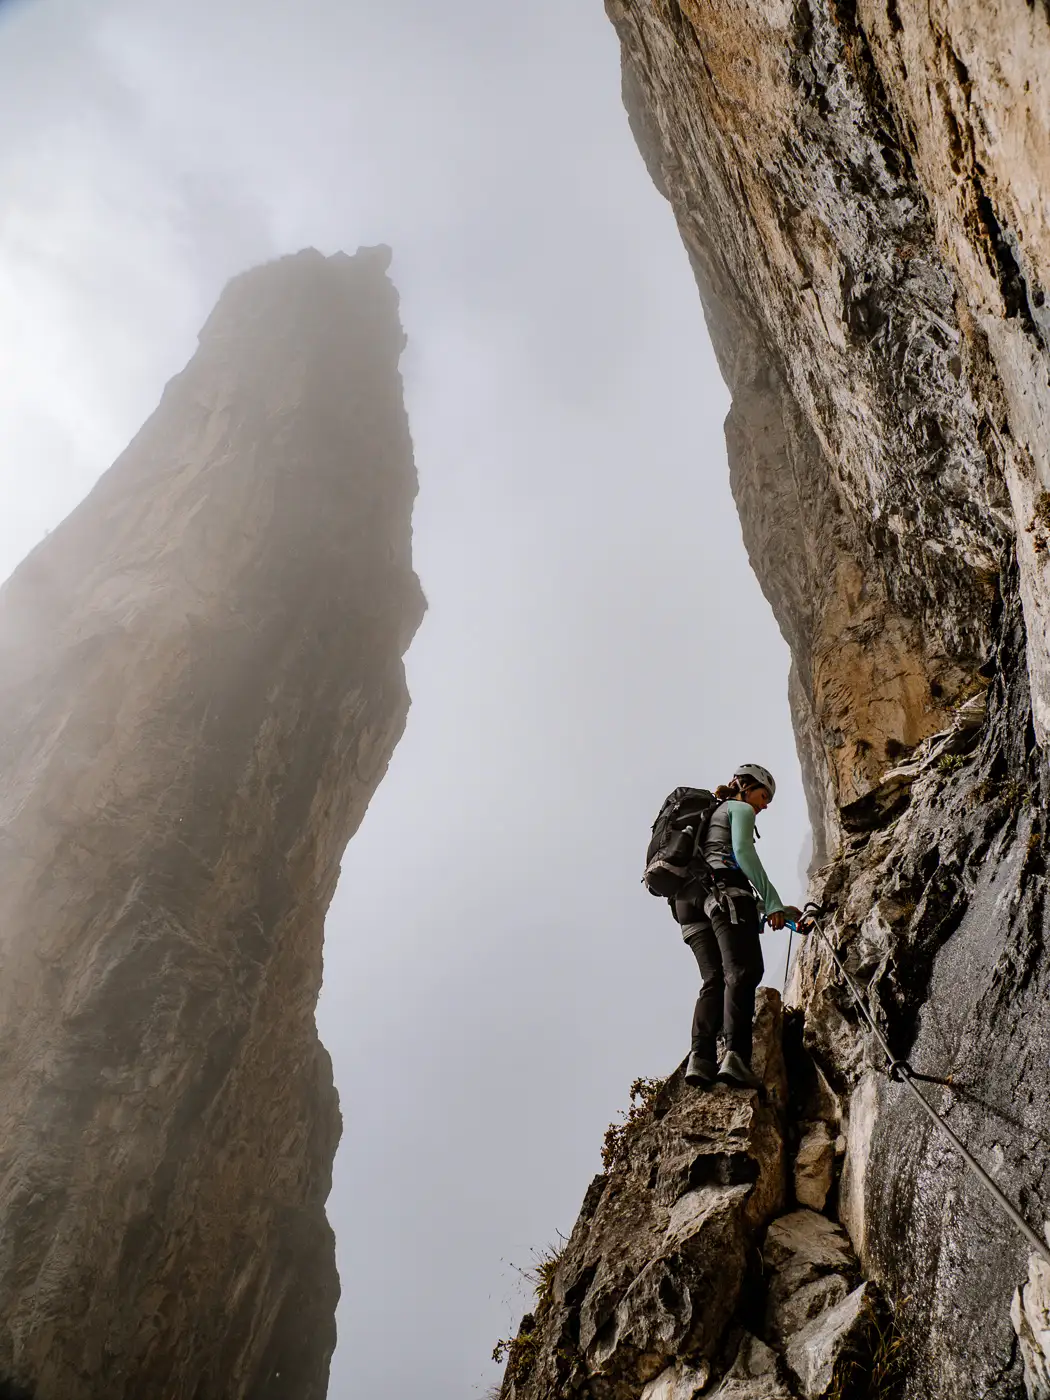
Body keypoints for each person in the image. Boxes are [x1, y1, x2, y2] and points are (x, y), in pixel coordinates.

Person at [675, 763, 800, 1091]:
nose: (765, 805)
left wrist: (776, 909)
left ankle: (701, 1059)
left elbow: (717, 875)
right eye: (764, 795)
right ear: (747, 787)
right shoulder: (738, 808)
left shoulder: (708, 819)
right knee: (743, 971)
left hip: (690, 906)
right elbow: (743, 854)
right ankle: (736, 1057)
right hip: (724, 895)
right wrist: (771, 900)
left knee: (714, 980)